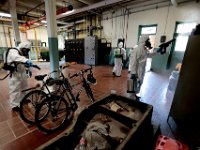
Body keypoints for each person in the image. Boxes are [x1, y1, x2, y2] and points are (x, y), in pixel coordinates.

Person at [5, 41, 33, 111]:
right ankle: (14, 105)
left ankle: (25, 98)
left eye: (28, 50)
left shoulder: (22, 53)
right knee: (15, 89)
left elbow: (25, 62)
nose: (27, 52)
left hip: (22, 72)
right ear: (23, 48)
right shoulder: (13, 51)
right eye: (26, 50)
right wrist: (26, 60)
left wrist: (29, 70)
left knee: (24, 86)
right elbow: (16, 58)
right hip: (14, 73)